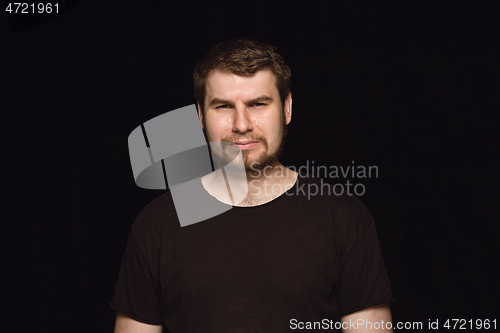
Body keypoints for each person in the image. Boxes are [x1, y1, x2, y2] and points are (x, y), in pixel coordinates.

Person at [111, 37, 395, 332]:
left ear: (286, 109)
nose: (242, 124)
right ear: (199, 116)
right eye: (223, 106)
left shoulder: (344, 218)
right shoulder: (157, 225)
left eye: (258, 104)